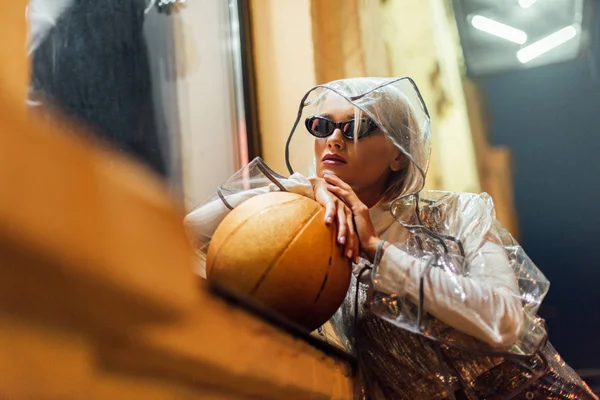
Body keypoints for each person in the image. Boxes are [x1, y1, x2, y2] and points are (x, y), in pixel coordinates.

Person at [184, 77, 596, 399]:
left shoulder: (458, 213)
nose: (334, 138)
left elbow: (504, 320)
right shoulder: (309, 232)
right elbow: (189, 232)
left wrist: (378, 253)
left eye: (358, 127)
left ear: (399, 153)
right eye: (322, 125)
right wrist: (303, 188)